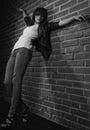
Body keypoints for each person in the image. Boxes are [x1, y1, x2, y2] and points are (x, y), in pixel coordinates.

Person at [0, 7, 85, 129]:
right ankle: (23, 109)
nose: (39, 17)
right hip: (14, 51)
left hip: (24, 51)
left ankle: (11, 116)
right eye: (37, 15)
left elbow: (59, 24)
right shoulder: (30, 25)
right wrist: (23, 12)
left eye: (42, 16)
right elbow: (26, 19)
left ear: (44, 17)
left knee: (16, 81)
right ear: (35, 15)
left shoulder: (44, 27)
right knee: (7, 82)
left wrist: (73, 18)